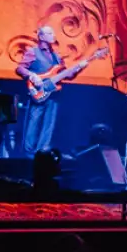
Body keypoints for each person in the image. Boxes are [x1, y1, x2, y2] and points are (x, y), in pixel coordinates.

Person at [14, 24, 74, 156]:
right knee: (34, 123)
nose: (53, 36)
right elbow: (20, 68)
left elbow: (65, 74)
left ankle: (42, 153)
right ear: (41, 36)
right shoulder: (33, 52)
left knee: (49, 125)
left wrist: (78, 68)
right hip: (38, 92)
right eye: (50, 34)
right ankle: (28, 154)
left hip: (53, 94)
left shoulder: (56, 56)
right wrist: (31, 75)